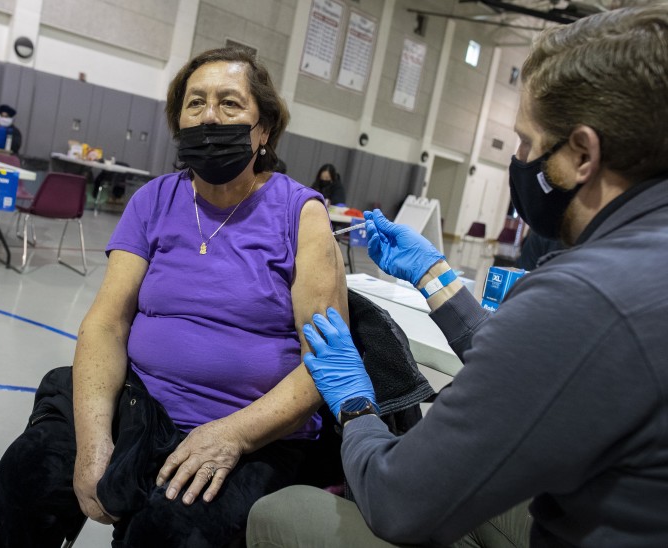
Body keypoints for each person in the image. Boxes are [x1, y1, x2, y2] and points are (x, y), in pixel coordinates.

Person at [248, 5, 668, 547]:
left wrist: (355, 402)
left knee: (289, 512)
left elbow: (397, 500)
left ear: (583, 154)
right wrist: (436, 276)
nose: (519, 158)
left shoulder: (586, 295)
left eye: (525, 142)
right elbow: (545, 371)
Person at [0, 47, 348, 547]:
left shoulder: (301, 214)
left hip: (254, 434)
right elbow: (106, 325)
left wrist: (232, 435)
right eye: (195, 103)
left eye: (230, 104)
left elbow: (328, 360)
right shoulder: (154, 200)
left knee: (166, 533)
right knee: (26, 475)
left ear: (263, 130)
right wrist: (94, 443)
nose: (209, 117)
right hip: (142, 406)